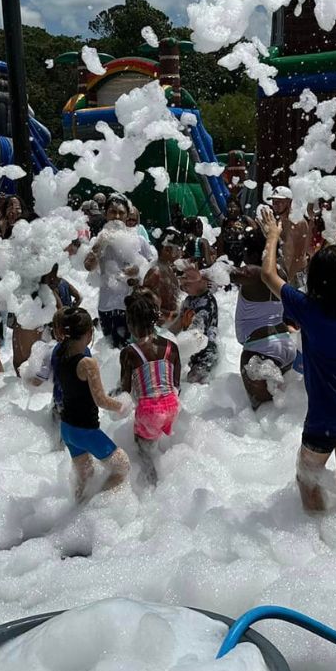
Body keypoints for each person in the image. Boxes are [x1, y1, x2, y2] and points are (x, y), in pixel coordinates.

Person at [259, 203, 336, 513]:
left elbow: (268, 273)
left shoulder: (308, 309)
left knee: (306, 478)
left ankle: (316, 539)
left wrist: (272, 236)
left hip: (325, 416)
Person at [54, 307, 132, 502]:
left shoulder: (60, 353)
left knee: (84, 477)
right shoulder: (87, 363)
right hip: (86, 431)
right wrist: (122, 405)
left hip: (67, 429)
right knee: (122, 466)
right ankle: (97, 507)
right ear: (89, 333)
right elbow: (101, 400)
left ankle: (78, 510)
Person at [119, 289, 182, 484]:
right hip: (172, 405)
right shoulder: (172, 346)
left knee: (143, 450)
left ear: (130, 324)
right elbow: (176, 384)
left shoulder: (130, 352)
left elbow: (126, 390)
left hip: (148, 410)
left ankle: (153, 485)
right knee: (161, 443)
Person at [234, 227, 297, 408]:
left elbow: (221, 274)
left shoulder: (252, 273)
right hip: (285, 345)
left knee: (261, 413)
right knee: (278, 412)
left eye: (245, 250)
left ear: (252, 252)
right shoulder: (281, 272)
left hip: (260, 351)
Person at [86, 197, 155, 348]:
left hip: (131, 305)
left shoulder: (139, 240)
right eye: (112, 212)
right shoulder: (99, 239)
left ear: (126, 215)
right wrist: (100, 244)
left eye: (121, 213)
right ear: (105, 214)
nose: (116, 216)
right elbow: (88, 266)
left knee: (131, 350)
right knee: (109, 351)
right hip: (106, 305)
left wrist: (137, 271)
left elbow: (151, 268)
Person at [171, 265, 219, 384]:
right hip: (195, 353)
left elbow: (196, 334)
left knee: (195, 385)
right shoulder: (188, 300)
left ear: (202, 281)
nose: (183, 287)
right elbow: (178, 324)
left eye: (187, 283)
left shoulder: (207, 302)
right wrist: (163, 337)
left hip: (206, 354)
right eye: (181, 284)